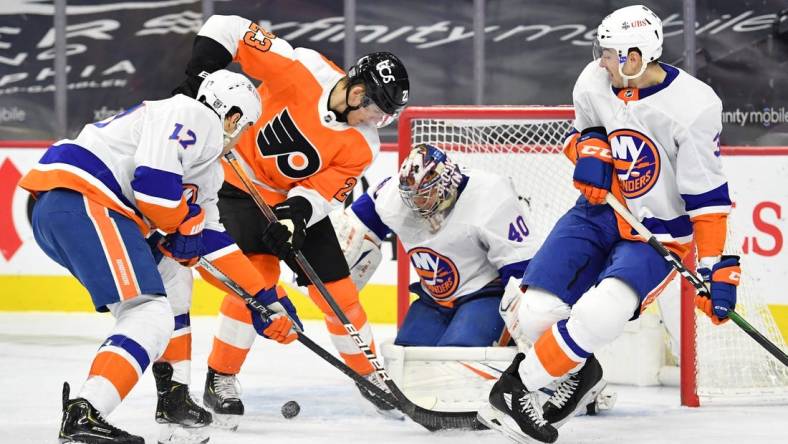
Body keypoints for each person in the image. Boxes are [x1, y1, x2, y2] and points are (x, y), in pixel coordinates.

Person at [477, 5, 739, 443]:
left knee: (602, 312)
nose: (601, 60)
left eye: (611, 53)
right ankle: (582, 377)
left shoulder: (694, 107)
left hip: (657, 235)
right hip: (599, 213)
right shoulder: (594, 80)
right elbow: (586, 131)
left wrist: (714, 268)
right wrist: (590, 154)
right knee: (536, 314)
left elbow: (708, 199)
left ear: (636, 57)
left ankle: (515, 389)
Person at [18, 69, 303, 443]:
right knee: (150, 313)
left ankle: (175, 396)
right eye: (246, 126)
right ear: (232, 116)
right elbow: (153, 189)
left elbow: (211, 243)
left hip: (76, 209)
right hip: (85, 201)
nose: (243, 136)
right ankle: (86, 411)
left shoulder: (207, 168)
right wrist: (187, 224)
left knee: (174, 274)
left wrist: (265, 298)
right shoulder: (193, 115)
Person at [170, 14, 410, 426]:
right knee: (257, 279)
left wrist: (296, 215)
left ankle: (370, 375)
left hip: (289, 202)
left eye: (385, 116)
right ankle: (221, 376)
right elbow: (226, 26)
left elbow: (321, 191)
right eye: (374, 108)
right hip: (235, 182)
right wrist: (197, 78)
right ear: (356, 91)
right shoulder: (303, 68)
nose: (377, 121)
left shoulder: (363, 144)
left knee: (339, 292)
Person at [336, 144, 537, 348]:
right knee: (408, 357)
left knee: (459, 358)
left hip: (483, 293)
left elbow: (521, 267)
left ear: (446, 181)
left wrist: (525, 328)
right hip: (433, 299)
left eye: (423, 195)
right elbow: (352, 231)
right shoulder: (391, 196)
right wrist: (333, 276)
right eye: (411, 196)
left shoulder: (490, 195)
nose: (415, 203)